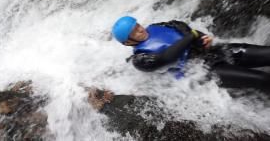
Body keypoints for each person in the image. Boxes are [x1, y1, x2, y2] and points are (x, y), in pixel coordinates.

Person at [112, 16, 270, 91]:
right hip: (201, 71)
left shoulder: (157, 26)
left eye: (137, 25)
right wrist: (192, 36)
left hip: (212, 51)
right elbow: (167, 57)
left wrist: (202, 38)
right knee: (263, 79)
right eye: (134, 32)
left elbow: (181, 26)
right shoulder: (140, 59)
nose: (140, 30)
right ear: (128, 42)